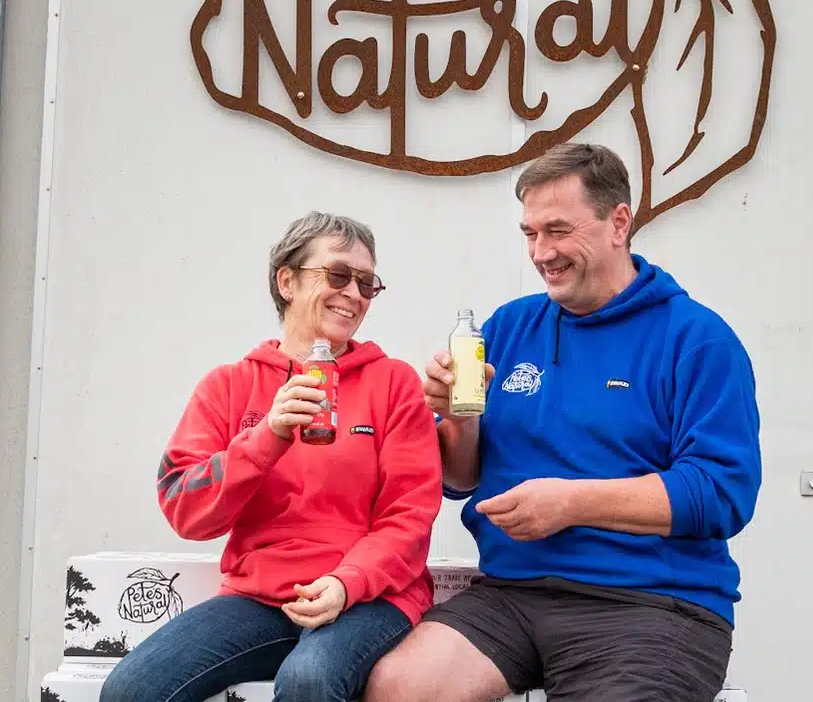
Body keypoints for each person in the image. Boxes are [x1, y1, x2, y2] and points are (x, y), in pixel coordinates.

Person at [366, 144, 761, 702]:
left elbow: (722, 493)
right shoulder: (509, 327)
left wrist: (572, 503)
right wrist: (458, 417)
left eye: (557, 230)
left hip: (652, 603)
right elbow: (462, 479)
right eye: (530, 233)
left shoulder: (697, 340)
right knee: (395, 688)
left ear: (618, 222)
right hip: (513, 593)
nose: (541, 252)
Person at [101, 212, 442, 702]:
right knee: (132, 689)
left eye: (367, 284)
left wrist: (347, 583)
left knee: (310, 678)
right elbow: (186, 509)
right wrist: (267, 437)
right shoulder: (229, 385)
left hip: (370, 594)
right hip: (260, 597)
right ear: (287, 280)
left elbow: (409, 515)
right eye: (339, 275)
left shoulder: (393, 382)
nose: (353, 295)